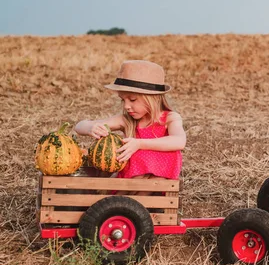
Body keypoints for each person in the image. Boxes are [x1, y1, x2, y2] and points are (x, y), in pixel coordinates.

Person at [74, 60, 186, 193]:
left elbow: (179, 141)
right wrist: (90, 128)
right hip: (128, 187)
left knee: (160, 156)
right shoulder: (127, 120)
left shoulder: (170, 118)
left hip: (158, 188)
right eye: (123, 100)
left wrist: (139, 144)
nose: (126, 106)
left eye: (132, 100)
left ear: (153, 98)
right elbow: (79, 126)